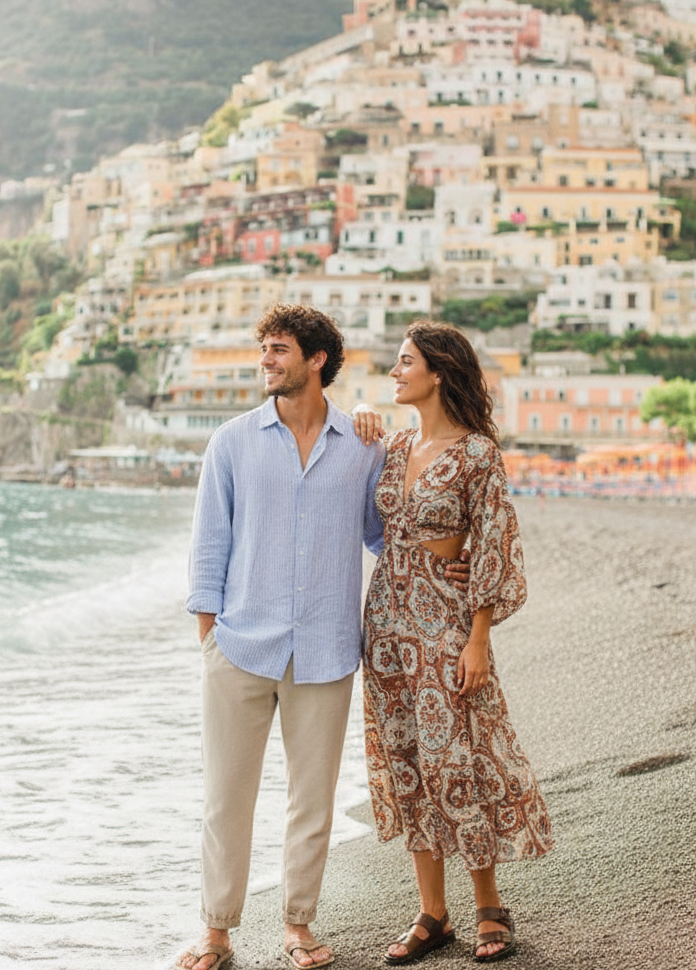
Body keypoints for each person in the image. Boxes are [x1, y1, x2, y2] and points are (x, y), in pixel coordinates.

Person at [180, 305, 474, 970]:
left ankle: (298, 927)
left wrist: (446, 560)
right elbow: (208, 550)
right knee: (226, 798)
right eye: (264, 351)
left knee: (309, 800)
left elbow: (383, 535)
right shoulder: (231, 442)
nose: (267, 362)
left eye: (279, 351)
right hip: (240, 648)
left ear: (316, 360)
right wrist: (211, 640)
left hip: (326, 651)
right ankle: (217, 933)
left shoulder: (363, 446)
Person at [354, 322, 553, 964]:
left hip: (445, 625)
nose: (394, 371)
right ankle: (432, 915)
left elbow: (495, 544)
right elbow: (373, 524)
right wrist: (357, 414)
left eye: (405, 362)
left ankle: (489, 905)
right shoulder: (393, 447)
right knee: (409, 762)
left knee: (457, 761)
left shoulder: (477, 455)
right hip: (386, 624)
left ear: (438, 372)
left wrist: (477, 639)